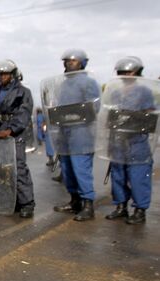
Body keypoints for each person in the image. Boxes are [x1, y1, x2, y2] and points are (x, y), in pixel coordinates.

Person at [50, 49, 101, 221]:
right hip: (65, 133)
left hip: (81, 133)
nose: (68, 64)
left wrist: (76, 116)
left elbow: (94, 107)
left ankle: (88, 204)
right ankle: (74, 201)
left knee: (81, 169)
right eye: (66, 61)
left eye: (73, 61)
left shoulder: (89, 82)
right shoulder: (63, 84)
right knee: (68, 169)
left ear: (82, 63)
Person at [105, 56, 156, 224]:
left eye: (128, 72)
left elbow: (149, 114)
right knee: (118, 175)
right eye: (122, 72)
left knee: (138, 176)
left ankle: (140, 209)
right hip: (118, 140)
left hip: (136, 140)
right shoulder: (116, 93)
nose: (125, 75)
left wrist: (133, 118)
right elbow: (110, 115)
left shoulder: (144, 92)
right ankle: (121, 206)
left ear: (137, 73)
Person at [0, 59, 35, 218]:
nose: (1, 77)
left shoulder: (23, 92)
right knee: (1, 170)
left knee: (18, 168)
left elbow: (24, 113)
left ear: (12, 75)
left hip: (14, 136)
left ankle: (26, 203)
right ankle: (8, 200)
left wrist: (11, 129)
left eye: (4, 74)